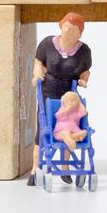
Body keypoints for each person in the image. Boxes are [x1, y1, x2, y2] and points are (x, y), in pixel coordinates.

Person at [28, 12, 91, 186]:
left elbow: (85, 71)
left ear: (80, 33)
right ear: (61, 26)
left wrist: (83, 80)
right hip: (47, 91)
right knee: (43, 130)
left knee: (69, 127)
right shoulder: (48, 44)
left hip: (69, 95)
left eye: (75, 30)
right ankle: (35, 169)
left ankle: (65, 169)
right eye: (67, 28)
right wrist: (37, 75)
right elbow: (38, 62)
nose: (69, 32)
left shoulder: (84, 51)